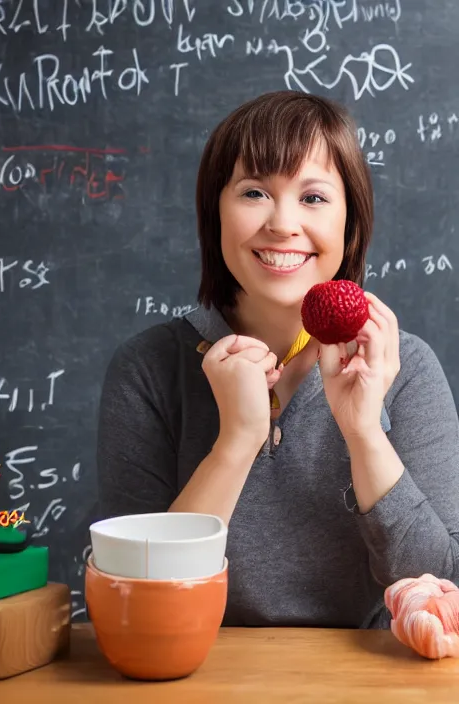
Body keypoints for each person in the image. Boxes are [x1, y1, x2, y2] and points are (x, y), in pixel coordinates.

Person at [96, 90, 459, 628]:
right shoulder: (148, 369)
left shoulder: (407, 368)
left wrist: (364, 433)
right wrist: (237, 439)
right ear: (214, 211)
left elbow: (446, 592)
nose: (284, 224)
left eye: (313, 198)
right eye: (254, 192)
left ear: (349, 221)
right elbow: (139, 603)